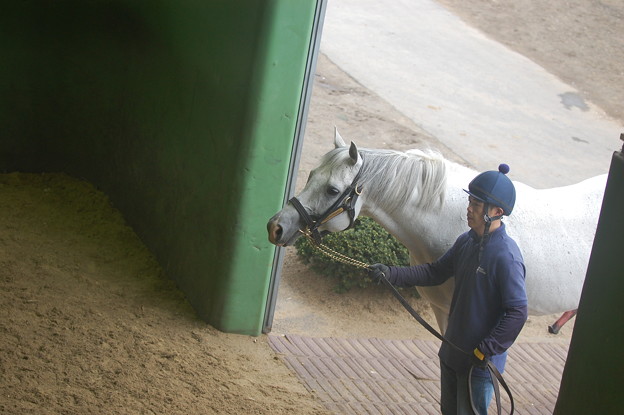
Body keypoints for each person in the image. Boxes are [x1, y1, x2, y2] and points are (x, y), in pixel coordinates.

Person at [370, 164, 528, 415]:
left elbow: (518, 311)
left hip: (478, 365)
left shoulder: (506, 257)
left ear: (496, 212)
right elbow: (435, 272)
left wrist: (485, 349)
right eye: (470, 201)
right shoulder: (466, 241)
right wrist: (391, 273)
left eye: (477, 204)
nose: (469, 208)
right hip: (452, 353)